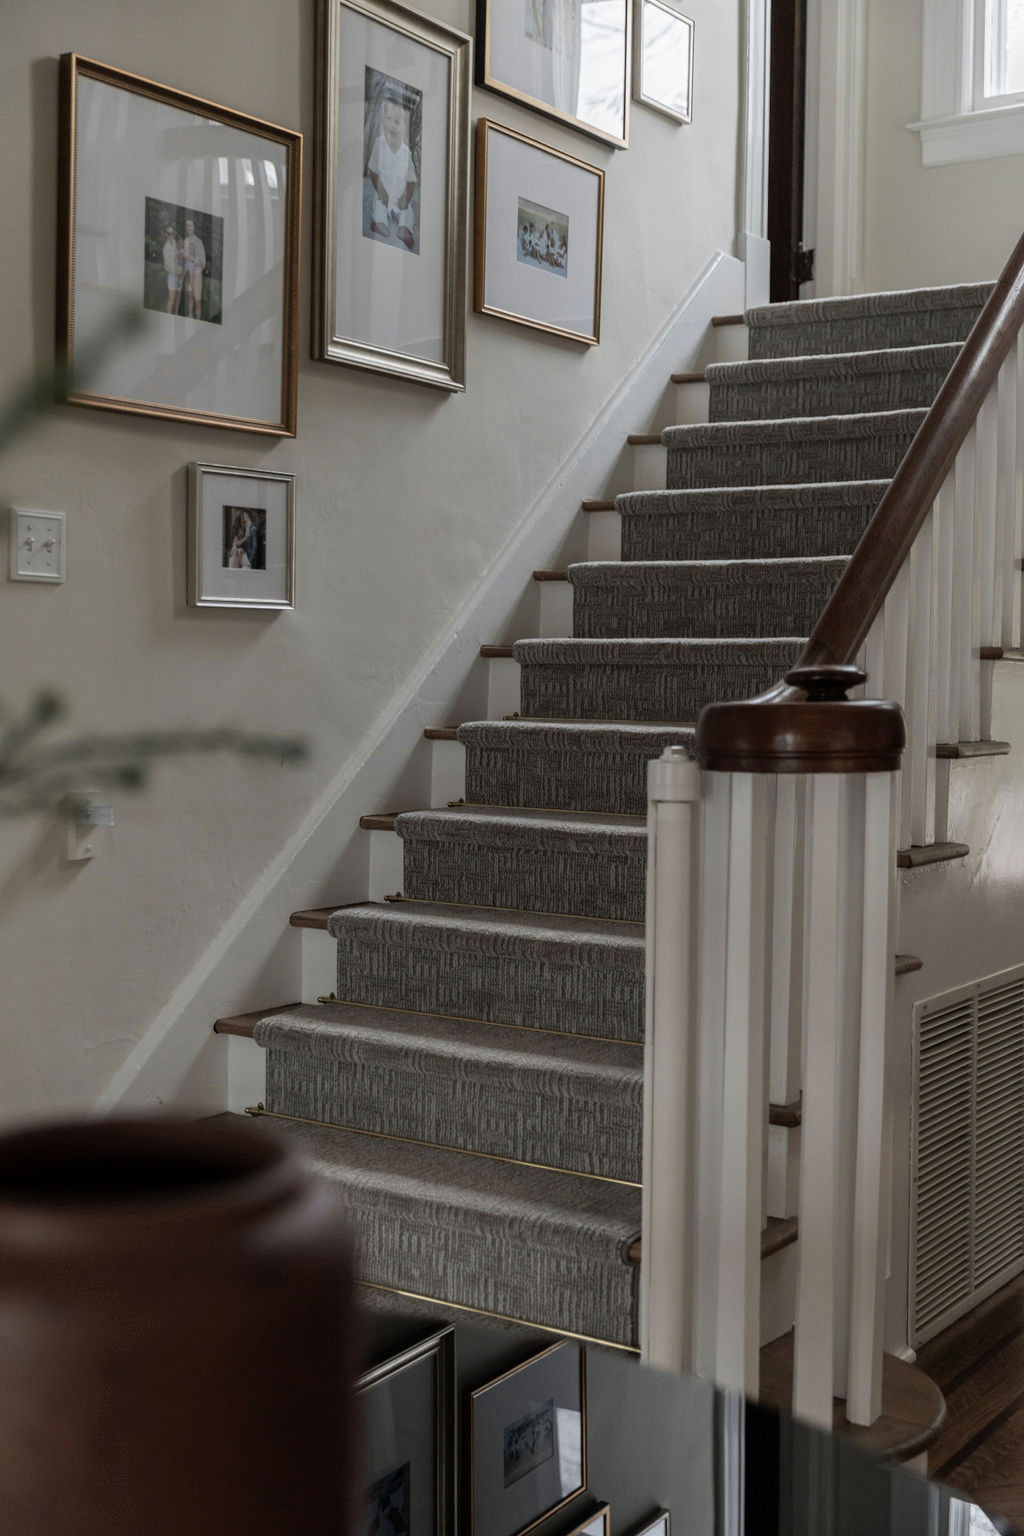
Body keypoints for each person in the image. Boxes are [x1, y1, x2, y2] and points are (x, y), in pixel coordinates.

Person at [366, 94, 417, 251]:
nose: (392, 125)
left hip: (400, 200)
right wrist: (380, 190)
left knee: (408, 213)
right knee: (378, 205)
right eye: (388, 119)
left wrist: (405, 198)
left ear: (403, 126)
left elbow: (411, 181)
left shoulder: (406, 153)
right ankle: (379, 223)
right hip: (384, 195)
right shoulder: (378, 146)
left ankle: (404, 230)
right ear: (382, 121)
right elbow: (373, 171)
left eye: (397, 122)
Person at [182, 218, 207, 320]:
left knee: (197, 300)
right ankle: (190, 316)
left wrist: (193, 259)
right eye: (187, 225)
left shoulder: (199, 242)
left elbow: (203, 264)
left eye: (191, 225)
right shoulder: (185, 241)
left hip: (196, 275)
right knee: (190, 297)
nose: (189, 228)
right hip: (188, 273)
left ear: (194, 227)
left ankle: (197, 321)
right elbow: (184, 258)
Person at [162, 223, 182, 314]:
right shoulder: (166, 248)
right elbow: (170, 267)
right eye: (169, 234)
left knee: (177, 298)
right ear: (166, 234)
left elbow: (176, 255)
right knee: (171, 300)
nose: (171, 236)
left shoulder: (174, 242)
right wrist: (180, 270)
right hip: (172, 275)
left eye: (172, 234)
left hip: (177, 275)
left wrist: (179, 256)